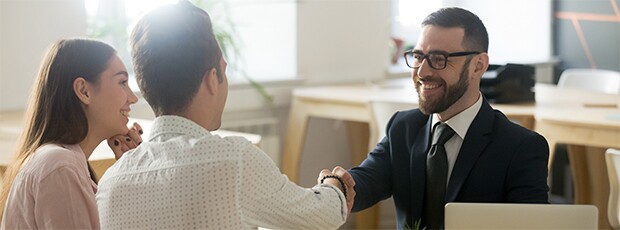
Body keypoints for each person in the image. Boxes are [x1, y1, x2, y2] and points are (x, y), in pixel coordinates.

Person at [95, 1, 355, 229]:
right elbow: (323, 216)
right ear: (212, 79)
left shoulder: (109, 184)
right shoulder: (234, 161)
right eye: (224, 71)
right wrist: (333, 183)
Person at [346, 7, 549, 229]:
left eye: (438, 59)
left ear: (478, 66)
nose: (422, 72)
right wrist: (335, 186)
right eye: (418, 56)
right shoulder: (403, 128)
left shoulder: (522, 148)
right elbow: (365, 181)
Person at [0, 38, 143, 229]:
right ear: (84, 91)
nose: (132, 98)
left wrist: (127, 173)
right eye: (122, 82)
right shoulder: (60, 166)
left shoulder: (62, 163)